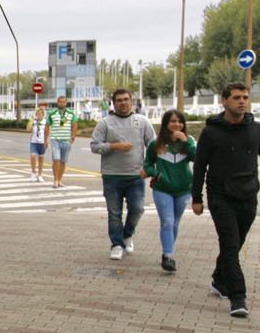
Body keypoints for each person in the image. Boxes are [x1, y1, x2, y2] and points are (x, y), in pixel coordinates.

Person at [192, 82, 259, 318]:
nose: (242, 101)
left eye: (245, 97)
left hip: (249, 196)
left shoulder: (255, 129)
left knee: (235, 244)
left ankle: (219, 280)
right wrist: (196, 198)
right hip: (221, 197)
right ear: (224, 101)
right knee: (230, 245)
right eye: (236, 98)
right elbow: (199, 166)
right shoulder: (211, 132)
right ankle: (237, 298)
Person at [90, 89, 155, 261]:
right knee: (114, 212)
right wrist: (113, 146)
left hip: (136, 176)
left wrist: (150, 168)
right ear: (114, 103)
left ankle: (128, 234)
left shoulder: (142, 122)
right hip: (112, 176)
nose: (123, 103)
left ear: (132, 101)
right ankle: (117, 244)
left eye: (126, 99)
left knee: (138, 208)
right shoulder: (105, 123)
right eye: (119, 100)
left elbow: (154, 146)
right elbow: (95, 146)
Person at [143, 109, 195, 272]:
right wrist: (156, 174)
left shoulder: (190, 141)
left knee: (175, 223)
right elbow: (147, 165)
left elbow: (198, 159)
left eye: (180, 122)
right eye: (172, 121)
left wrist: (186, 142)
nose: (177, 124)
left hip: (184, 189)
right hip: (162, 189)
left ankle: (168, 251)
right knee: (167, 221)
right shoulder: (156, 143)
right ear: (166, 123)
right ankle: (168, 255)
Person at [45, 95, 77, 188]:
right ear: (57, 103)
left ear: (66, 103)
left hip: (66, 141)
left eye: (63, 102)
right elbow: (47, 126)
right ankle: (55, 180)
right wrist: (45, 140)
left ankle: (59, 180)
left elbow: (74, 125)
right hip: (55, 140)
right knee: (56, 160)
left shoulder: (71, 114)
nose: (62, 103)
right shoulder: (52, 113)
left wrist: (73, 137)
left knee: (63, 161)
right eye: (60, 101)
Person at [28, 106, 47, 182]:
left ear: (43, 115)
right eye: (37, 114)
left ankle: (40, 175)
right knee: (33, 156)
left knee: (41, 158)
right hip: (34, 142)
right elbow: (28, 129)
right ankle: (33, 173)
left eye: (40, 114)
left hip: (42, 143)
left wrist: (47, 141)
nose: (38, 115)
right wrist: (31, 121)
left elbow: (48, 132)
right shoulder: (34, 121)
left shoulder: (45, 122)